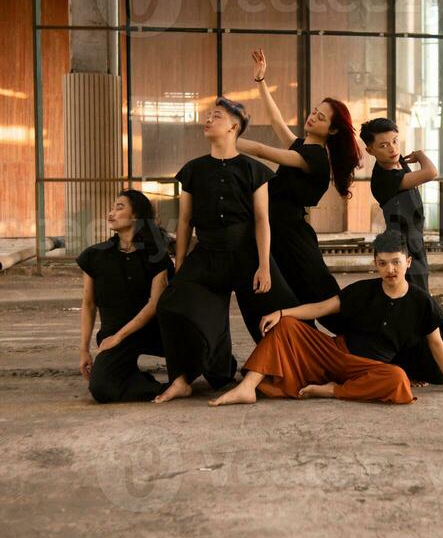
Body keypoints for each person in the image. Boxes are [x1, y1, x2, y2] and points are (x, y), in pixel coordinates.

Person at [208, 231, 443, 407]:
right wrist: (282, 312)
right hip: (335, 352)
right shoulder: (363, 290)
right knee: (287, 327)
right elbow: (319, 309)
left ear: (408, 262)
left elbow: (437, 343)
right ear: (375, 263)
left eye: (396, 262)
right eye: (383, 263)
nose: (390, 269)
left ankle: (330, 391)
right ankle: (247, 387)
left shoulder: (420, 301)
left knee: (398, 380)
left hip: (368, 368)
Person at [154, 96, 297, 404]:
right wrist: (179, 263)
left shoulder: (255, 170)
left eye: (216, 116)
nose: (208, 119)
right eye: (208, 115)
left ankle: (279, 371)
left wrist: (263, 266)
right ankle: (185, 377)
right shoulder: (193, 170)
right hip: (206, 254)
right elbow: (184, 220)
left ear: (234, 126)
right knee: (170, 305)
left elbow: (262, 220)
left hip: (247, 255)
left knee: (283, 316)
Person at [236, 49, 361, 328]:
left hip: (293, 238)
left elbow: (261, 149)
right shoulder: (302, 147)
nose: (313, 117)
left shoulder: (315, 158)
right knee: (293, 299)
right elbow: (277, 120)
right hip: (280, 233)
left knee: (322, 301)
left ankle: (361, 345)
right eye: (315, 111)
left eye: (321, 117)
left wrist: (228, 139)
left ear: (332, 131)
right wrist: (261, 81)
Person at [78, 189, 173, 403]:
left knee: (203, 361)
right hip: (114, 334)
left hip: (154, 330)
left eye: (119, 207)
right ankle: (158, 386)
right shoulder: (95, 255)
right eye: (111, 208)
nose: (111, 213)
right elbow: (89, 303)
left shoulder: (156, 255)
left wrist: (120, 336)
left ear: (136, 216)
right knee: (101, 388)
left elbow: (154, 303)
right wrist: (84, 349)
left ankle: (182, 381)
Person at [361, 117, 437, 294]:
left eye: (395, 141)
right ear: (370, 150)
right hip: (399, 246)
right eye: (383, 145)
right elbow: (431, 172)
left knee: (418, 293)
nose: (392, 148)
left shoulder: (397, 160)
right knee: (414, 295)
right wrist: (420, 155)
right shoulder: (384, 179)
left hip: (414, 240)